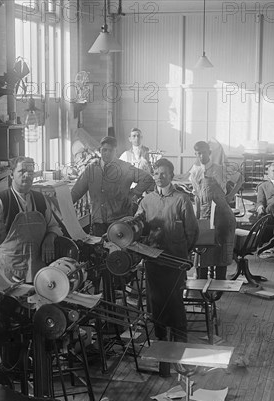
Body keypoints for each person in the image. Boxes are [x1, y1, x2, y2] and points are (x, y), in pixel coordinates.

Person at [135, 158, 199, 375]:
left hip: (175, 262)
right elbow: (137, 227)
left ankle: (181, 358)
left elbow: (192, 232)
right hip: (153, 262)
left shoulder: (182, 200)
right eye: (156, 173)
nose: (159, 176)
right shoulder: (146, 201)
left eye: (164, 173)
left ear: (171, 175)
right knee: (156, 307)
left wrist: (182, 254)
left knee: (175, 307)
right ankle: (163, 359)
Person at [0, 156, 62, 283]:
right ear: (11, 175)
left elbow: (53, 226)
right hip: (8, 272)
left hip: (37, 270)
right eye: (22, 171)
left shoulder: (41, 199)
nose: (27, 175)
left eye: (30, 172)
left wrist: (50, 238)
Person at [71, 136, 155, 236]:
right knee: (99, 249)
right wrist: (62, 206)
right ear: (100, 150)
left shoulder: (125, 168)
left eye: (110, 150)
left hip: (120, 222)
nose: (107, 153)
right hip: (98, 223)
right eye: (104, 150)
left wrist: (133, 193)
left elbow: (147, 179)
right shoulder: (91, 170)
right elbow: (76, 192)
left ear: (116, 151)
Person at [189, 140, 242, 280]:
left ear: (209, 153)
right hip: (205, 214)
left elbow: (241, 179)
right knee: (203, 249)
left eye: (204, 153)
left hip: (222, 216)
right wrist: (197, 218)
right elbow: (197, 198)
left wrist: (230, 195)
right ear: (195, 154)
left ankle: (220, 284)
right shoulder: (194, 172)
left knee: (221, 250)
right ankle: (201, 285)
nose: (201, 156)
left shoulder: (219, 168)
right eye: (198, 153)